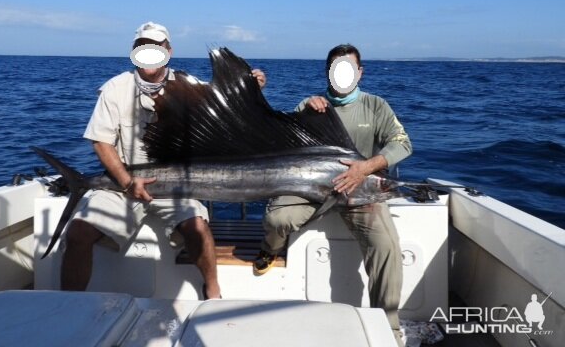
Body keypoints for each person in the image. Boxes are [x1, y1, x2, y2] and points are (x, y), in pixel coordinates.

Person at [61, 21, 266, 300]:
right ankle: (66, 303)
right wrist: (127, 182)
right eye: (141, 47)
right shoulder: (115, 88)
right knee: (77, 234)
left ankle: (213, 292)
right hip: (125, 185)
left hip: (177, 188)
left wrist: (250, 89)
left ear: (168, 51)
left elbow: (227, 112)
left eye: (155, 47)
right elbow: (101, 141)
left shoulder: (190, 88)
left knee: (198, 229)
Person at [253, 44, 412, 345]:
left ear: (360, 72)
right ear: (327, 73)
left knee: (387, 248)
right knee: (277, 218)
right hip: (313, 189)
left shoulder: (376, 106)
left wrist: (365, 168)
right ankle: (269, 248)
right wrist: (292, 108)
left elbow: (402, 144)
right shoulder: (309, 106)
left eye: (349, 68)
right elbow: (282, 141)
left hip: (359, 191)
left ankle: (388, 327)